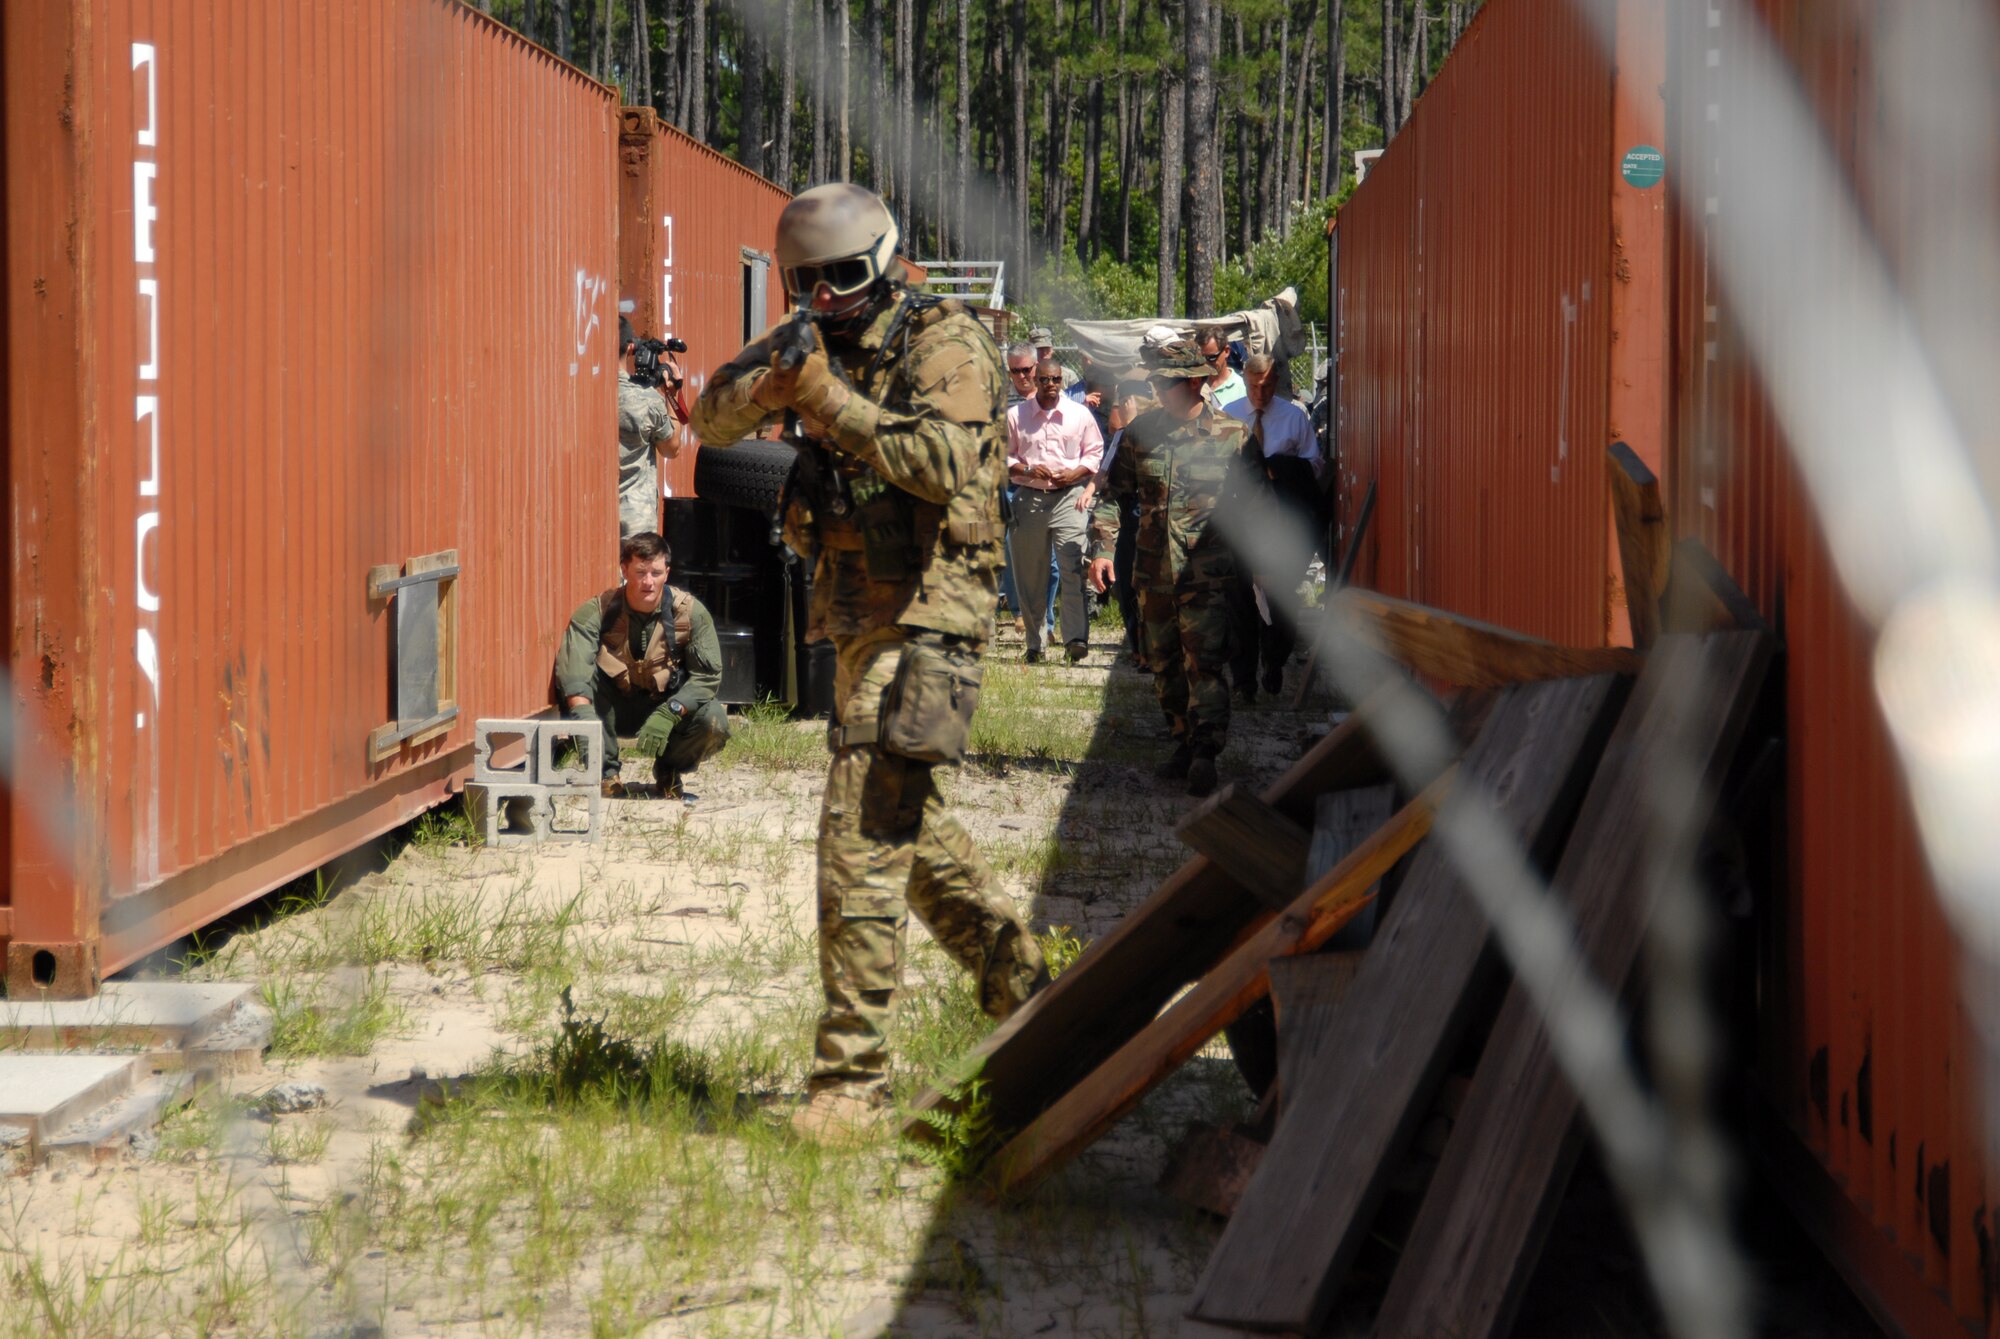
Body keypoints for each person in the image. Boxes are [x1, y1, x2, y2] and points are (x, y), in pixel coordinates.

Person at [689, 182, 1046, 1141]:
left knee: (856, 827)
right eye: (806, 282)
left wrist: (824, 401)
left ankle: (852, 1080)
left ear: (883, 260)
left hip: (934, 613)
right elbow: (710, 420)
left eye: (844, 277)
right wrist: (763, 386)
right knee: (901, 823)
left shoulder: (945, 338)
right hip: (857, 619)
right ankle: (1029, 989)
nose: (827, 296)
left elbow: (940, 463)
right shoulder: (811, 341)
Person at [1088, 339, 1255, 798]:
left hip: (1207, 574)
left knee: (1205, 665)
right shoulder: (1141, 433)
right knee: (1163, 664)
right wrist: (1103, 550)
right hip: (1153, 573)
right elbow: (1110, 495)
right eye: (1157, 381)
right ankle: (1182, 741)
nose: (1160, 389)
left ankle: (1205, 752)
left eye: (1169, 382)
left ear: (1196, 381)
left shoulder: (1233, 436)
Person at [555, 531, 729, 799]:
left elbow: (706, 678)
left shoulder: (690, 613)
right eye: (640, 572)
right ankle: (605, 774)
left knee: (713, 719)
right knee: (585, 682)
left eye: (656, 573)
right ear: (625, 569)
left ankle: (669, 771)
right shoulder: (596, 611)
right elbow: (575, 673)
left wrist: (671, 711)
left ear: (667, 573)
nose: (648, 582)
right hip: (610, 710)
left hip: (661, 707)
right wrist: (584, 723)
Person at [1223, 353, 1325, 700]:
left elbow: (1315, 466)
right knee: (1239, 600)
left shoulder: (1294, 417)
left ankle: (1275, 660)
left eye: (1267, 387)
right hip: (1241, 518)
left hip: (1282, 517)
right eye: (1254, 386)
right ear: (1245, 380)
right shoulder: (1230, 416)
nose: (1260, 394)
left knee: (1280, 597)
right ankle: (1243, 680)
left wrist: (1280, 468)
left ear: (1276, 380)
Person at [1007, 358, 1104, 664]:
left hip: (1068, 498)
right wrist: (1025, 468)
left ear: (1062, 381)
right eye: (1045, 380)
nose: (1051, 385)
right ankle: (1036, 644)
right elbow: (1002, 455)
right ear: (1035, 380)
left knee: (1071, 570)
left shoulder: (1079, 414)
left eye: (1056, 380)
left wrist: (1076, 475)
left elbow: (1095, 452)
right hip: (1029, 498)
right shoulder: (1015, 415)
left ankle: (1075, 639)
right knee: (1030, 576)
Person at [1080, 378, 1152, 665]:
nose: (1118, 408)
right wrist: (1089, 490)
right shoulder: (1122, 437)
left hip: (1156, 518)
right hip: (1129, 516)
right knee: (1127, 586)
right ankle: (1139, 650)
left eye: (1122, 403)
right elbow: (1107, 475)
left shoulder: (1161, 432)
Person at [617, 318, 682, 539]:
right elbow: (671, 448)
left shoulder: (581, 393)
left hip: (587, 514)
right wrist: (672, 396)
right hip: (635, 522)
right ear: (630, 348)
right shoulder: (647, 400)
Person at [1195, 325, 1248, 410]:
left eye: (1211, 358)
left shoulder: (1243, 389)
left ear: (1226, 351)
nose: (1206, 363)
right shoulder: (1192, 385)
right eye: (1201, 358)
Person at [1025, 324, 1080, 389]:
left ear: (1052, 350)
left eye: (1047, 349)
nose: (1044, 353)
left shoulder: (1068, 376)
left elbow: (1077, 397)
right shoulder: (1026, 376)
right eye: (1039, 349)